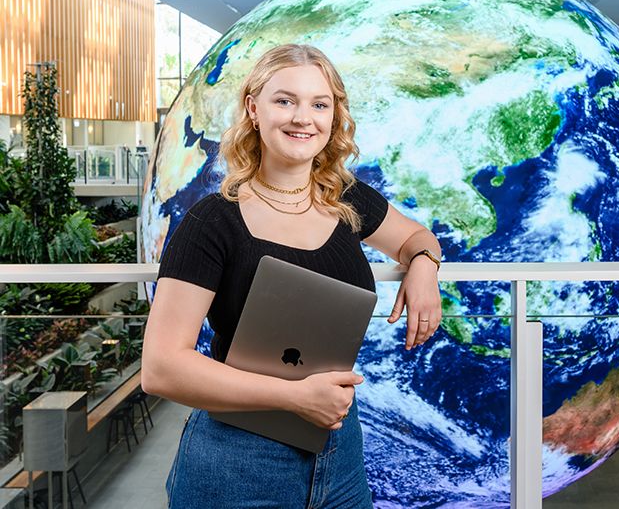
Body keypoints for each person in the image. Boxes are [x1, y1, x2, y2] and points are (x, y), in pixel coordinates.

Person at [141, 44, 443, 508]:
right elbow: (162, 368)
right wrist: (294, 397)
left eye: (319, 104)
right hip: (238, 462)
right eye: (285, 100)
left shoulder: (346, 198)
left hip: (339, 455)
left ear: (332, 117)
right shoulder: (212, 222)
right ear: (253, 109)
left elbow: (417, 238)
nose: (304, 117)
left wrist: (424, 266)